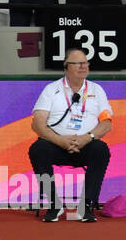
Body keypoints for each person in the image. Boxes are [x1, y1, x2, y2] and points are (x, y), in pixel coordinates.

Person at [29, 49, 113, 223]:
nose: (84, 67)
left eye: (86, 63)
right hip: (56, 144)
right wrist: (60, 141)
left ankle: (86, 205)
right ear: (66, 67)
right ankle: (54, 204)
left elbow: (106, 123)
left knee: (101, 149)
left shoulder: (97, 90)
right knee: (38, 149)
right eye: (78, 63)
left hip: (85, 144)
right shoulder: (51, 90)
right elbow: (37, 124)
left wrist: (86, 138)